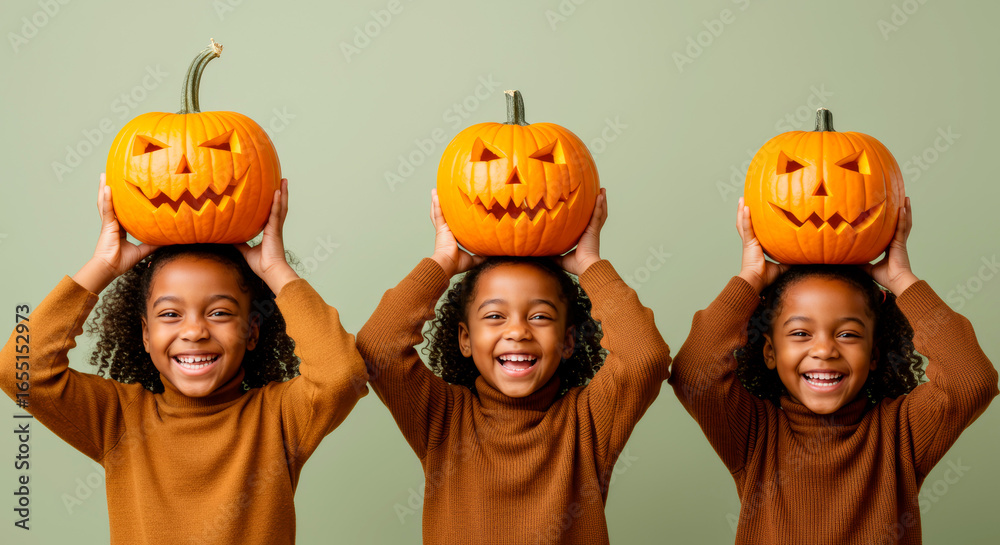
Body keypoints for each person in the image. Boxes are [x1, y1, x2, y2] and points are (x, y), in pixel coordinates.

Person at [0, 175, 368, 545]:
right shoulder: (119, 421)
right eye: (171, 315)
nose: (194, 332)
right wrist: (103, 265)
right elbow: (20, 370)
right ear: (145, 334)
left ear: (253, 331)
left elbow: (341, 375)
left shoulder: (279, 419)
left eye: (220, 313)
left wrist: (275, 270)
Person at [668, 197, 998, 544]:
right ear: (769, 352)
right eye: (800, 333)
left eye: (848, 334)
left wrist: (901, 280)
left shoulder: (902, 433)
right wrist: (751, 278)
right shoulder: (753, 435)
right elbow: (694, 372)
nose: (824, 349)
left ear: (874, 354)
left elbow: (970, 380)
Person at [357, 188, 672, 544]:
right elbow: (378, 347)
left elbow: (645, 358)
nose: (518, 331)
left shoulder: (588, 422)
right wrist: (443, 262)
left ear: (568, 341)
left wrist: (589, 266)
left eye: (539, 316)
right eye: (495, 316)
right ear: (465, 339)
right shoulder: (442, 420)